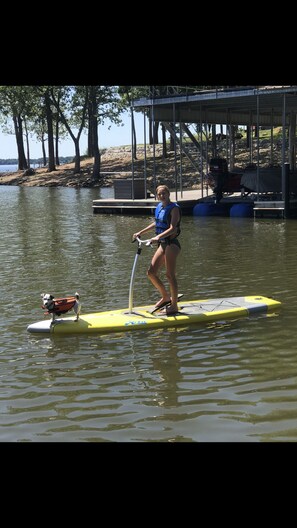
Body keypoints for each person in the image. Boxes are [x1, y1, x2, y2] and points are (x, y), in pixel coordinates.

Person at [133, 184, 181, 315]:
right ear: (157, 196)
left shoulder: (174, 208)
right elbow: (157, 223)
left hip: (171, 244)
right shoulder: (159, 207)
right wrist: (140, 232)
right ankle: (166, 297)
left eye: (164, 193)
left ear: (168, 194)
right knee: (151, 272)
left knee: (170, 275)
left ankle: (174, 306)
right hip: (163, 244)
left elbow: (172, 228)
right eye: (159, 194)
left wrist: (157, 237)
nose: (162, 196)